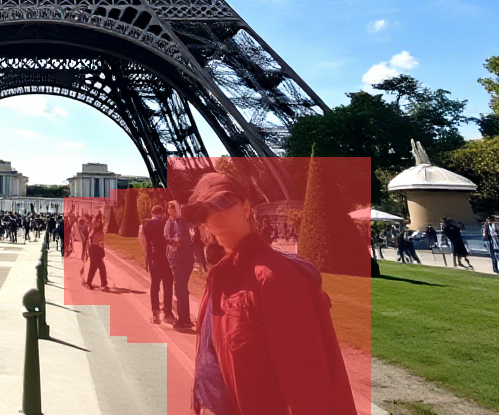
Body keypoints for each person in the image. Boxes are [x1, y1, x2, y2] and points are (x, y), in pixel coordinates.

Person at [183, 172, 357, 415]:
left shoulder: (274, 278)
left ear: (246, 208)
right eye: (204, 210)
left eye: (223, 202)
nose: (214, 214)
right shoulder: (222, 277)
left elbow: (307, 385)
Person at [164, 200, 195, 330]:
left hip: (185, 260)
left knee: (182, 289)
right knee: (179, 287)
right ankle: (182, 317)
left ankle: (184, 318)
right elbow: (166, 237)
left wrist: (178, 242)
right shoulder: (169, 222)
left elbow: (184, 239)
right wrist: (174, 242)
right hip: (175, 259)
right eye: (169, 208)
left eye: (173, 208)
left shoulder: (182, 222)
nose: (171, 210)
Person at [143, 205, 173, 325]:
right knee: (168, 285)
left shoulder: (148, 225)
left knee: (155, 285)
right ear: (162, 213)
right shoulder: (167, 223)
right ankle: (168, 311)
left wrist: (148, 259)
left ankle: (155, 311)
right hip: (167, 257)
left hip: (155, 257)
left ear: (152, 213)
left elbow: (147, 244)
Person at [85, 213, 108, 290]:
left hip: (97, 250)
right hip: (94, 250)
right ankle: (90, 282)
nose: (96, 224)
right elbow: (91, 241)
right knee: (94, 267)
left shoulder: (98, 230)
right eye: (95, 222)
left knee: (100, 267)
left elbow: (101, 242)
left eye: (97, 223)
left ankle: (102, 283)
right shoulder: (94, 230)